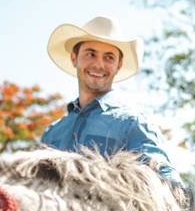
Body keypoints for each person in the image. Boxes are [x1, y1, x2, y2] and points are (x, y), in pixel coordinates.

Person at [43, 15, 178, 181]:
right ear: (74, 58)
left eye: (109, 57)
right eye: (90, 54)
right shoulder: (52, 133)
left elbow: (167, 184)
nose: (99, 65)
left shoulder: (132, 124)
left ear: (118, 66)